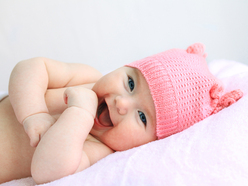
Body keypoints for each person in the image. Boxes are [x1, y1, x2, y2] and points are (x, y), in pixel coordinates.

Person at [0, 43, 243, 184]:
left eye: (143, 117)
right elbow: (31, 67)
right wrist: (33, 113)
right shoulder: (86, 77)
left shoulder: (97, 149)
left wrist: (80, 114)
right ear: (127, 65)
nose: (122, 105)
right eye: (130, 83)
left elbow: (46, 172)